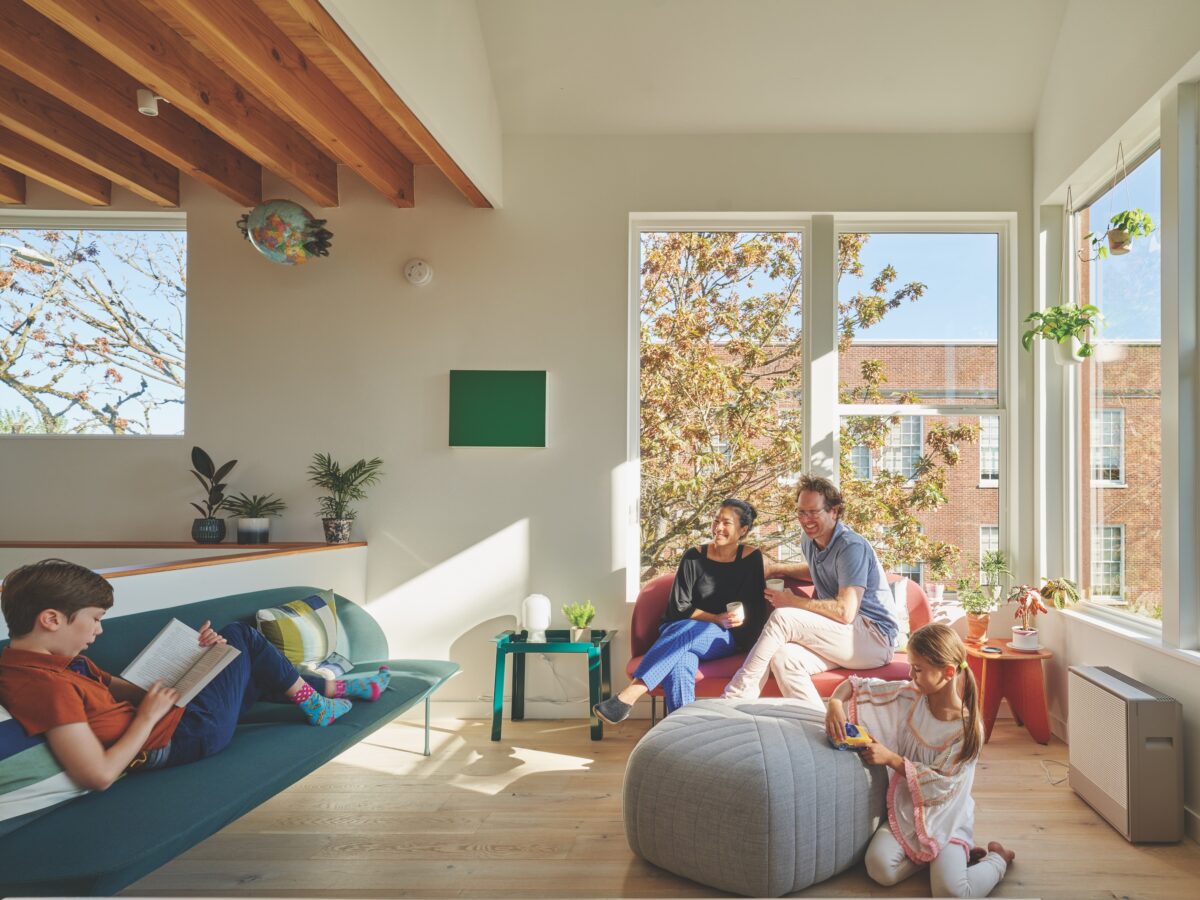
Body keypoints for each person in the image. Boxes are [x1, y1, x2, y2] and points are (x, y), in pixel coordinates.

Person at [0, 559, 391, 788]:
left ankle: (332, 688)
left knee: (240, 657)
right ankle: (324, 699)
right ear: (51, 619)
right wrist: (149, 717)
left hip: (173, 721)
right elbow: (98, 775)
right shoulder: (45, 686)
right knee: (241, 636)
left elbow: (136, 692)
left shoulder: (63, 663)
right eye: (96, 619)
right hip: (181, 738)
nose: (100, 631)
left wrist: (200, 659)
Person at [825, 623, 1014, 897]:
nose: (911, 676)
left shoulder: (967, 729)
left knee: (950, 893)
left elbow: (943, 786)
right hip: (908, 809)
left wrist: (891, 759)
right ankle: (935, 859)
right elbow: (856, 686)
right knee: (879, 868)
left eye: (918, 669)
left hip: (948, 815)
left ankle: (998, 859)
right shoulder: (912, 695)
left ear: (948, 672)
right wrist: (834, 704)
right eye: (912, 667)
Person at [722, 475, 897, 708]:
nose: (806, 520)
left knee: (783, 618)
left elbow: (845, 612)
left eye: (813, 512)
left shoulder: (850, 547)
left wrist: (791, 601)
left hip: (873, 638)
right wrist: (775, 568)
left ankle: (734, 698)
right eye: (801, 513)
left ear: (834, 511)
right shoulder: (809, 540)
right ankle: (819, 726)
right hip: (846, 636)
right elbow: (817, 569)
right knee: (784, 658)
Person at [593, 498, 767, 724]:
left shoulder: (751, 558)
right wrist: (714, 617)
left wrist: (736, 617)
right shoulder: (693, 556)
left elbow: (754, 606)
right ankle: (684, 733)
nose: (718, 528)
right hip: (680, 628)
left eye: (726, 523)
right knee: (682, 661)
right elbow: (679, 607)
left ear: (743, 530)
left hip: (724, 636)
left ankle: (629, 695)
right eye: (716, 521)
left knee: (692, 632)